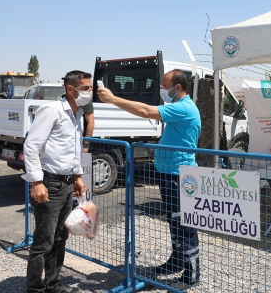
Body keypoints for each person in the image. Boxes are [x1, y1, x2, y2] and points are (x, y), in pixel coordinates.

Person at [97, 69, 201, 289]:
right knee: (174, 220)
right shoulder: (180, 107)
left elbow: (145, 111)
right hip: (169, 173)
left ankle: (191, 273)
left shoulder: (184, 107)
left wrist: (113, 99)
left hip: (179, 174)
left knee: (184, 223)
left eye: (165, 86)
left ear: (178, 87)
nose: (162, 90)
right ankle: (176, 261)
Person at [22, 71, 90, 293]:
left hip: (67, 184)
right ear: (71, 89)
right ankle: (35, 289)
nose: (90, 93)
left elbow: (72, 150)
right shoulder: (52, 111)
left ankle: (53, 284)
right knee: (43, 241)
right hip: (50, 183)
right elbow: (31, 146)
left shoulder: (77, 113)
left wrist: (78, 176)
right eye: (86, 88)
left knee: (60, 237)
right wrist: (36, 182)